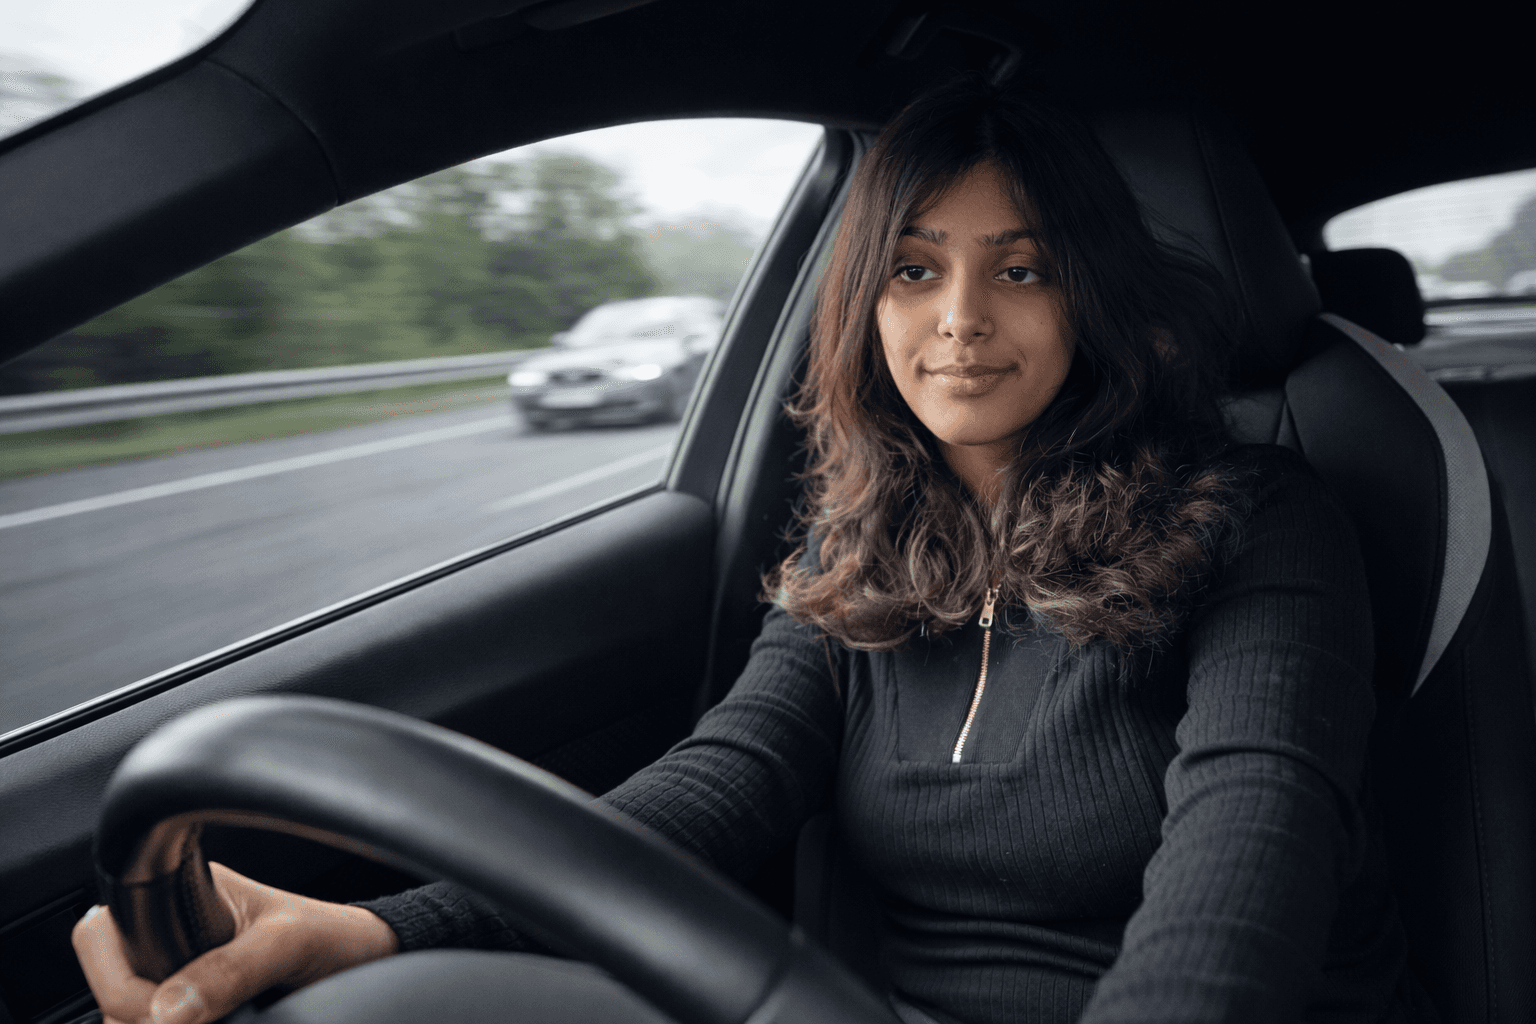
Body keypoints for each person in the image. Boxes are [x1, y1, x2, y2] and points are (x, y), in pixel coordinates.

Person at [73, 78, 1426, 1024]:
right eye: (912, 267)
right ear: (866, 299)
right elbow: (723, 783)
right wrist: (380, 929)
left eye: (1020, 268)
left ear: (1093, 294)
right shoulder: (865, 536)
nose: (958, 319)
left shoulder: (1258, 523)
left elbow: (1249, 860)